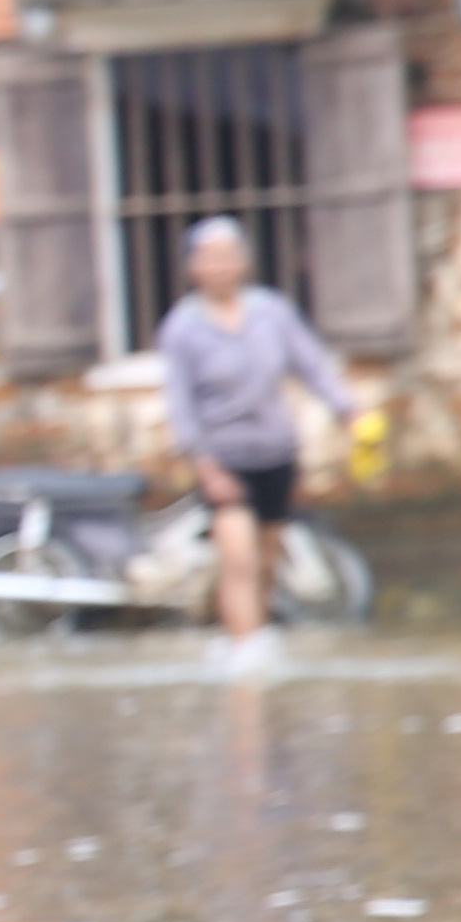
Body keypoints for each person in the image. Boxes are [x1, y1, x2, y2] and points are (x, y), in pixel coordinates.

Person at [153, 217, 371, 648]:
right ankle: (245, 654)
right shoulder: (183, 328)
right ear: (192, 268)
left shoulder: (272, 312)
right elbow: (180, 404)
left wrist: (349, 411)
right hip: (223, 458)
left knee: (268, 560)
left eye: (227, 257)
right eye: (209, 259)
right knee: (240, 560)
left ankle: (252, 634)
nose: (220, 267)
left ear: (243, 262)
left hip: (276, 451)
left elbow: (311, 365)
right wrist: (202, 462)